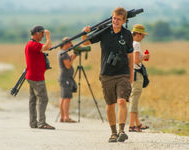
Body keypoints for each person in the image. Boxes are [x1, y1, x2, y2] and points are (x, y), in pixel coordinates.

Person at [82, 7, 133, 142]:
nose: (115, 21)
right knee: (110, 104)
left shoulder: (127, 34)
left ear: (124, 21)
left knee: (121, 101)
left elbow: (130, 56)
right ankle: (113, 133)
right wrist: (84, 33)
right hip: (106, 74)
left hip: (123, 74)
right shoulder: (104, 31)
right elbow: (86, 42)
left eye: (119, 19)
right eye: (114, 18)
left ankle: (122, 130)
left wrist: (131, 75)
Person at [25, 25, 55, 130]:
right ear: (37, 33)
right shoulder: (33, 44)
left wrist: (47, 39)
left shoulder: (33, 44)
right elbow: (46, 46)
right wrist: (48, 36)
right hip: (36, 77)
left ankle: (33, 123)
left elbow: (49, 47)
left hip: (32, 76)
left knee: (33, 100)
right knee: (43, 98)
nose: (42, 35)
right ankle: (42, 122)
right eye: (42, 33)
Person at [129, 24, 149, 132]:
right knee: (135, 99)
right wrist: (144, 57)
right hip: (137, 74)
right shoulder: (136, 44)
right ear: (138, 34)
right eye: (142, 35)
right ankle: (131, 125)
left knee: (134, 98)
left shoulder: (130, 43)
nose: (143, 37)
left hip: (132, 73)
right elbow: (136, 60)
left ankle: (138, 123)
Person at [57, 37, 77, 123]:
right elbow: (68, 65)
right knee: (67, 98)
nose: (71, 46)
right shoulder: (64, 54)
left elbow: (68, 60)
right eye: (70, 44)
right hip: (66, 79)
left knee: (63, 97)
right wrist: (73, 57)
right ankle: (66, 117)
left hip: (64, 78)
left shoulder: (61, 53)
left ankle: (62, 117)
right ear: (66, 44)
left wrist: (74, 55)